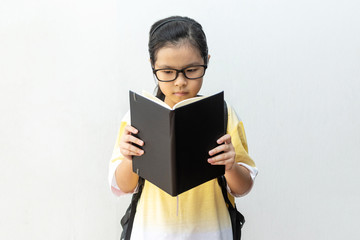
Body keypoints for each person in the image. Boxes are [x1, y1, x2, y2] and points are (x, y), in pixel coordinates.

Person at [109, 16, 258, 240]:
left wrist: (230, 166)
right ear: (153, 65)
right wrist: (130, 159)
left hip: (210, 233)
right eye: (168, 72)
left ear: (206, 61)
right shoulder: (137, 116)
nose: (180, 81)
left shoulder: (222, 115)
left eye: (191, 70)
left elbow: (243, 187)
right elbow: (123, 185)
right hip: (151, 233)